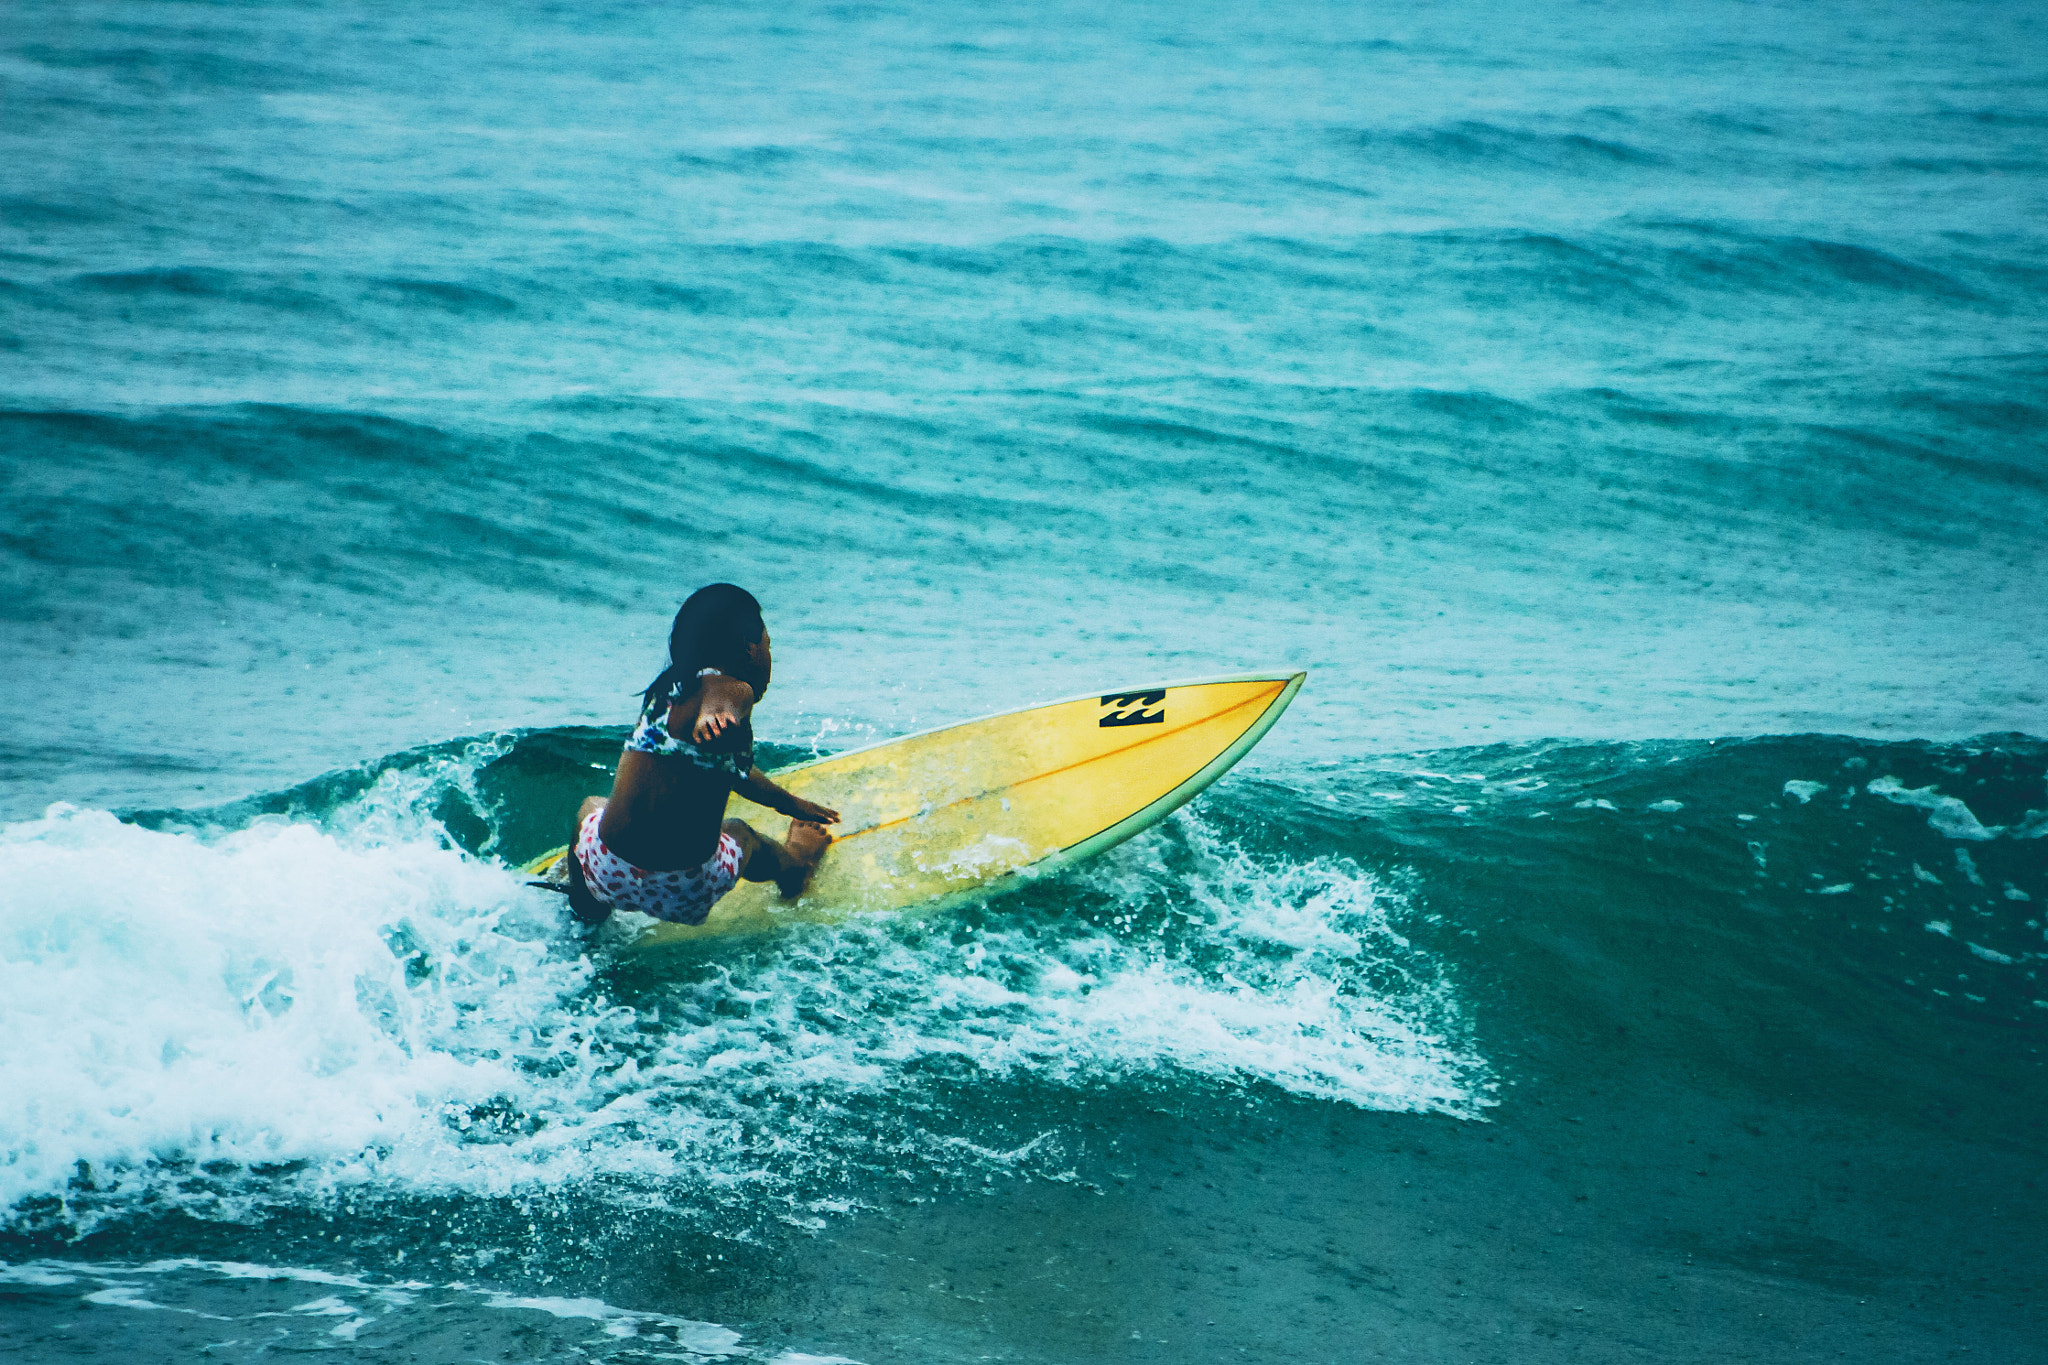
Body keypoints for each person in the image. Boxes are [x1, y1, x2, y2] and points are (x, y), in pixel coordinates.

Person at [561, 584, 838, 926]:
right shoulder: (733, 690)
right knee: (741, 833)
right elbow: (723, 697)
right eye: (768, 645)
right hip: (686, 891)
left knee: (590, 807)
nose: (768, 654)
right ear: (751, 649)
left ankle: (586, 908)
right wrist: (717, 713)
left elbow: (732, 771)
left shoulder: (663, 694)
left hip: (608, 872)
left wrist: (788, 802)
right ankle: (797, 865)